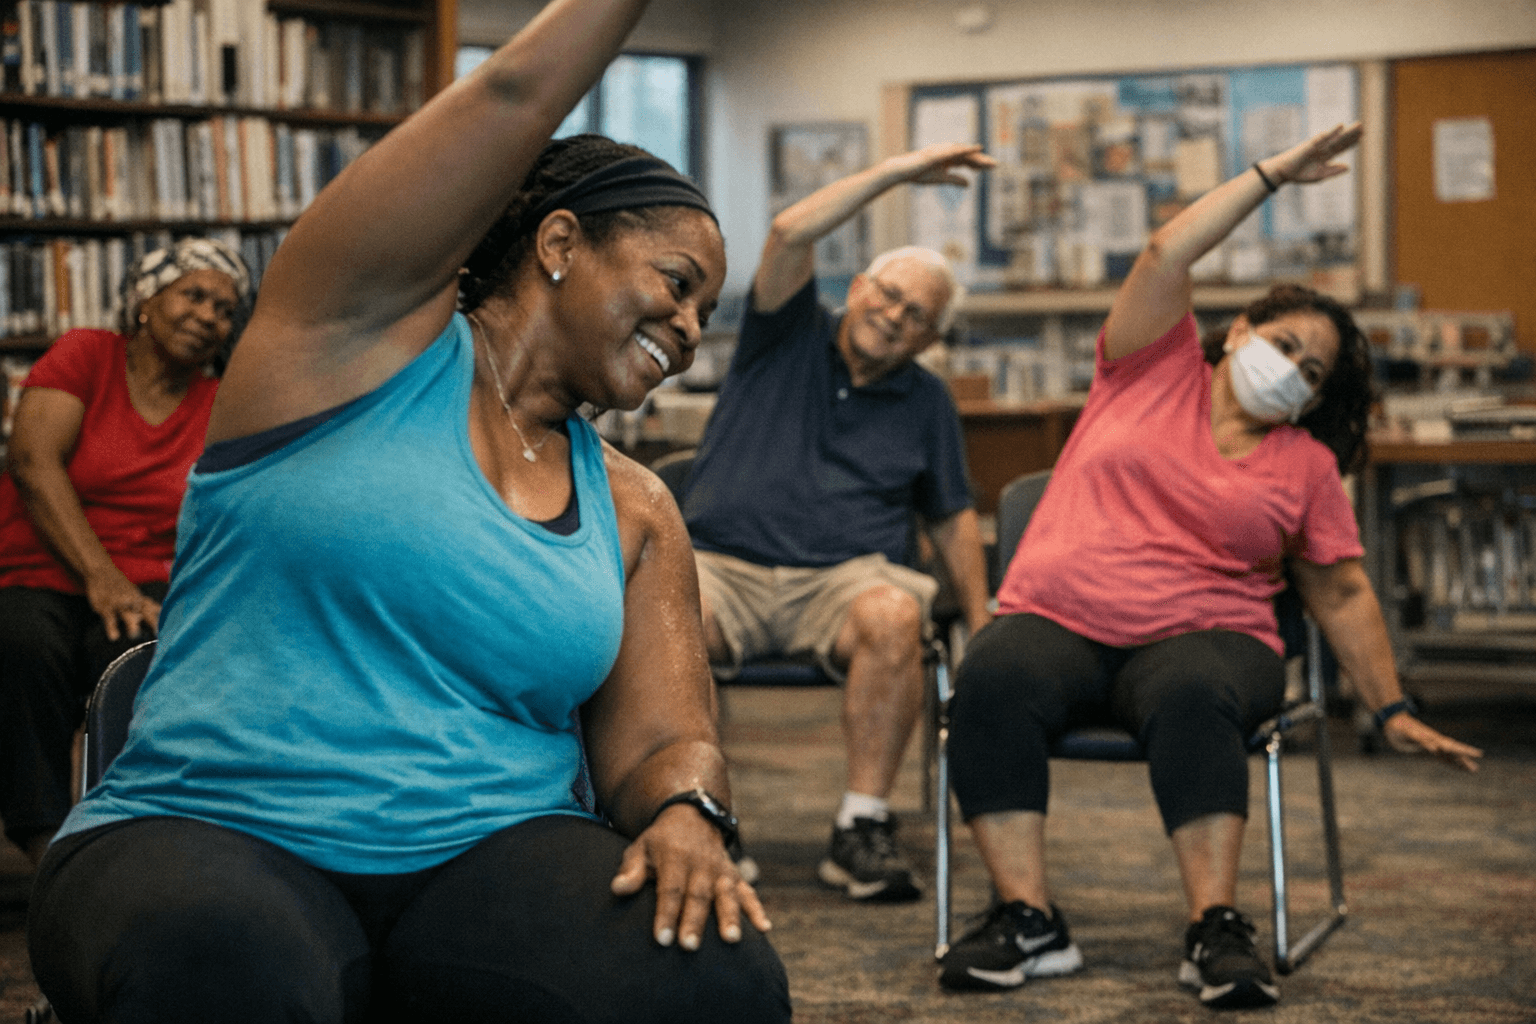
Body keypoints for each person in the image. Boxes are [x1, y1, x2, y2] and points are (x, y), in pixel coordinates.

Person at [26, 2, 790, 1022]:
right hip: (212, 824)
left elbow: (662, 743)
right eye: (678, 283)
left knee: (712, 977)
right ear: (561, 241)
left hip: (486, 851)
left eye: (706, 312)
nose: (692, 328)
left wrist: (689, 810)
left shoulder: (638, 505)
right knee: (233, 967)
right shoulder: (344, 346)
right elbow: (512, 95)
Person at [937, 123, 1484, 1009]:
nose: (1295, 373)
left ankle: (1215, 928)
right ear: (1238, 332)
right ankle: (1026, 917)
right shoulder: (1147, 368)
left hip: (1209, 636)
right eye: (1287, 347)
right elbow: (1165, 247)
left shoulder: (1305, 465)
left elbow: (1340, 590)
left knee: (1195, 694)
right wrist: (1272, 175)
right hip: (1060, 619)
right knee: (992, 674)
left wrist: (1391, 706)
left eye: (1312, 372)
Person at [679, 143, 997, 902]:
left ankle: (862, 826)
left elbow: (952, 518)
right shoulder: (784, 334)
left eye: (916, 314)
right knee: (661, 609)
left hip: (850, 583)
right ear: (856, 287)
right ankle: (700, 812)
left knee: (896, 615)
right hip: (725, 566)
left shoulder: (928, 402)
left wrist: (983, 622)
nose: (893, 315)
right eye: (886, 294)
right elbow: (790, 232)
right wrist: (896, 173)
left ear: (929, 339)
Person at [0, 237, 249, 868]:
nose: (208, 316)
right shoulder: (86, 354)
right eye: (193, 294)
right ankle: (44, 845)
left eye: (224, 309)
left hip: (151, 581)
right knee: (22, 643)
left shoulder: (219, 404)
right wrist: (101, 577)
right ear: (145, 300)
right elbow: (32, 462)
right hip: (45, 567)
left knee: (139, 654)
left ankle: (126, 841)